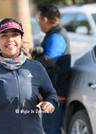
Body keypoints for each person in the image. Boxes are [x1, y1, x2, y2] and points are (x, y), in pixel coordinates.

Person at [33, 5, 71, 134]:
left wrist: (31, 61)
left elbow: (49, 60)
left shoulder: (57, 36)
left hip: (54, 94)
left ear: (45, 20)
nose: (38, 22)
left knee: (51, 130)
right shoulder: (54, 34)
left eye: (38, 18)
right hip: (51, 93)